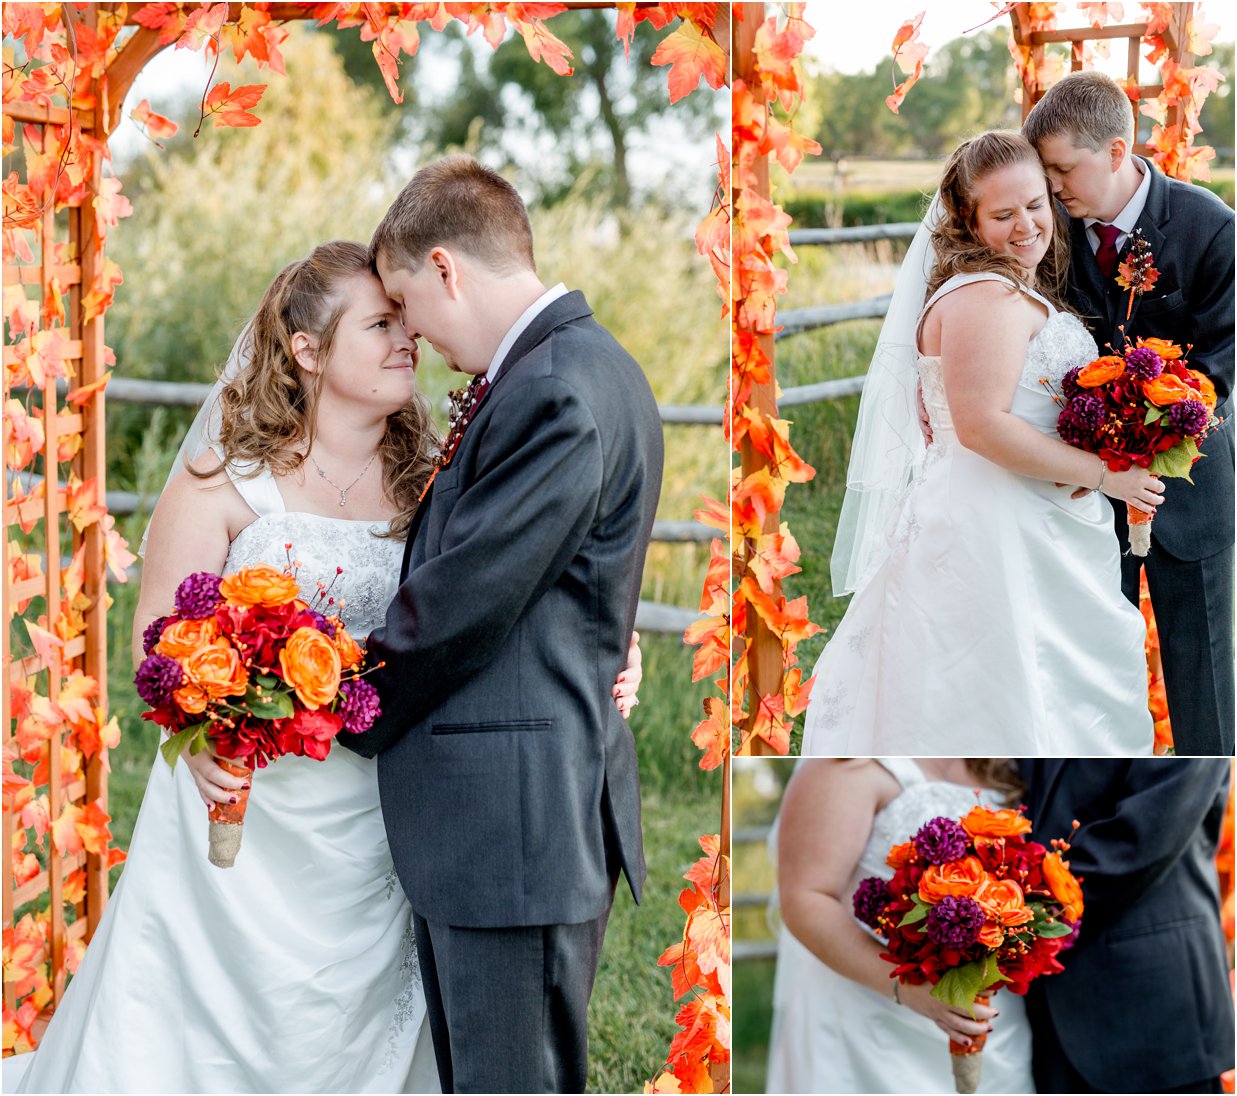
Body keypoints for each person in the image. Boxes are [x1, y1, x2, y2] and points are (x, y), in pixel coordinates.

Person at [8, 239, 643, 1093]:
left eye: (405, 320)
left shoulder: (434, 480)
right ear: (306, 350)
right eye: (380, 324)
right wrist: (200, 733)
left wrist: (609, 642)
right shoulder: (220, 481)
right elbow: (157, 644)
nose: (406, 340)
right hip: (248, 808)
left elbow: (506, 586)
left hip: (384, 809)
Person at [334, 156, 664, 1094]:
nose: (415, 337)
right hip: (513, 811)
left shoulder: (553, 389)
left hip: (515, 822)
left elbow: (463, 600)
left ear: (446, 268)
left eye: (407, 306)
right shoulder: (562, 369)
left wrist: (323, 705)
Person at [803, 131, 1161, 756]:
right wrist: (1107, 475)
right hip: (997, 524)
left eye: (1035, 205)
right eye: (1003, 215)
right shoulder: (986, 298)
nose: (1027, 226)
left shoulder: (994, 287)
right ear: (968, 221)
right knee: (1003, 685)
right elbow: (981, 426)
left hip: (1020, 510)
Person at [1023, 71, 1235, 757]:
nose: (1052, 187)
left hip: (1190, 497)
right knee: (1088, 672)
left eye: (1062, 168)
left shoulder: (1209, 228)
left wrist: (1147, 420)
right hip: (1084, 494)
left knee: (1203, 688)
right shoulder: (1048, 231)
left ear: (1117, 151)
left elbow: (1225, 359)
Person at [769, 757, 1036, 1094]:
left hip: (994, 1021)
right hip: (871, 1024)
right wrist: (909, 990)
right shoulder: (848, 763)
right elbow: (805, 898)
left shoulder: (999, 761)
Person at [1020, 759, 1234, 1093]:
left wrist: (1011, 914)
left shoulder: (1187, 709)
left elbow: (1144, 831)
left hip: (1154, 1009)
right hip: (1042, 1016)